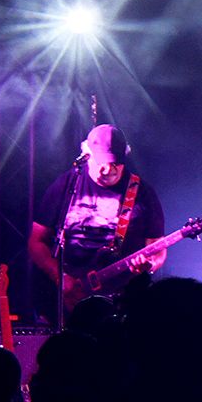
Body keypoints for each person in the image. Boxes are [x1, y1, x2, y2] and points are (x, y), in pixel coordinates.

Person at [28, 124, 166, 315]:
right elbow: (36, 241)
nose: (108, 169)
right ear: (87, 155)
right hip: (69, 298)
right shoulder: (67, 185)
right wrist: (61, 278)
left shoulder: (142, 192)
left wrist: (150, 265)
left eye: (115, 163)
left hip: (122, 301)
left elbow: (157, 247)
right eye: (101, 162)